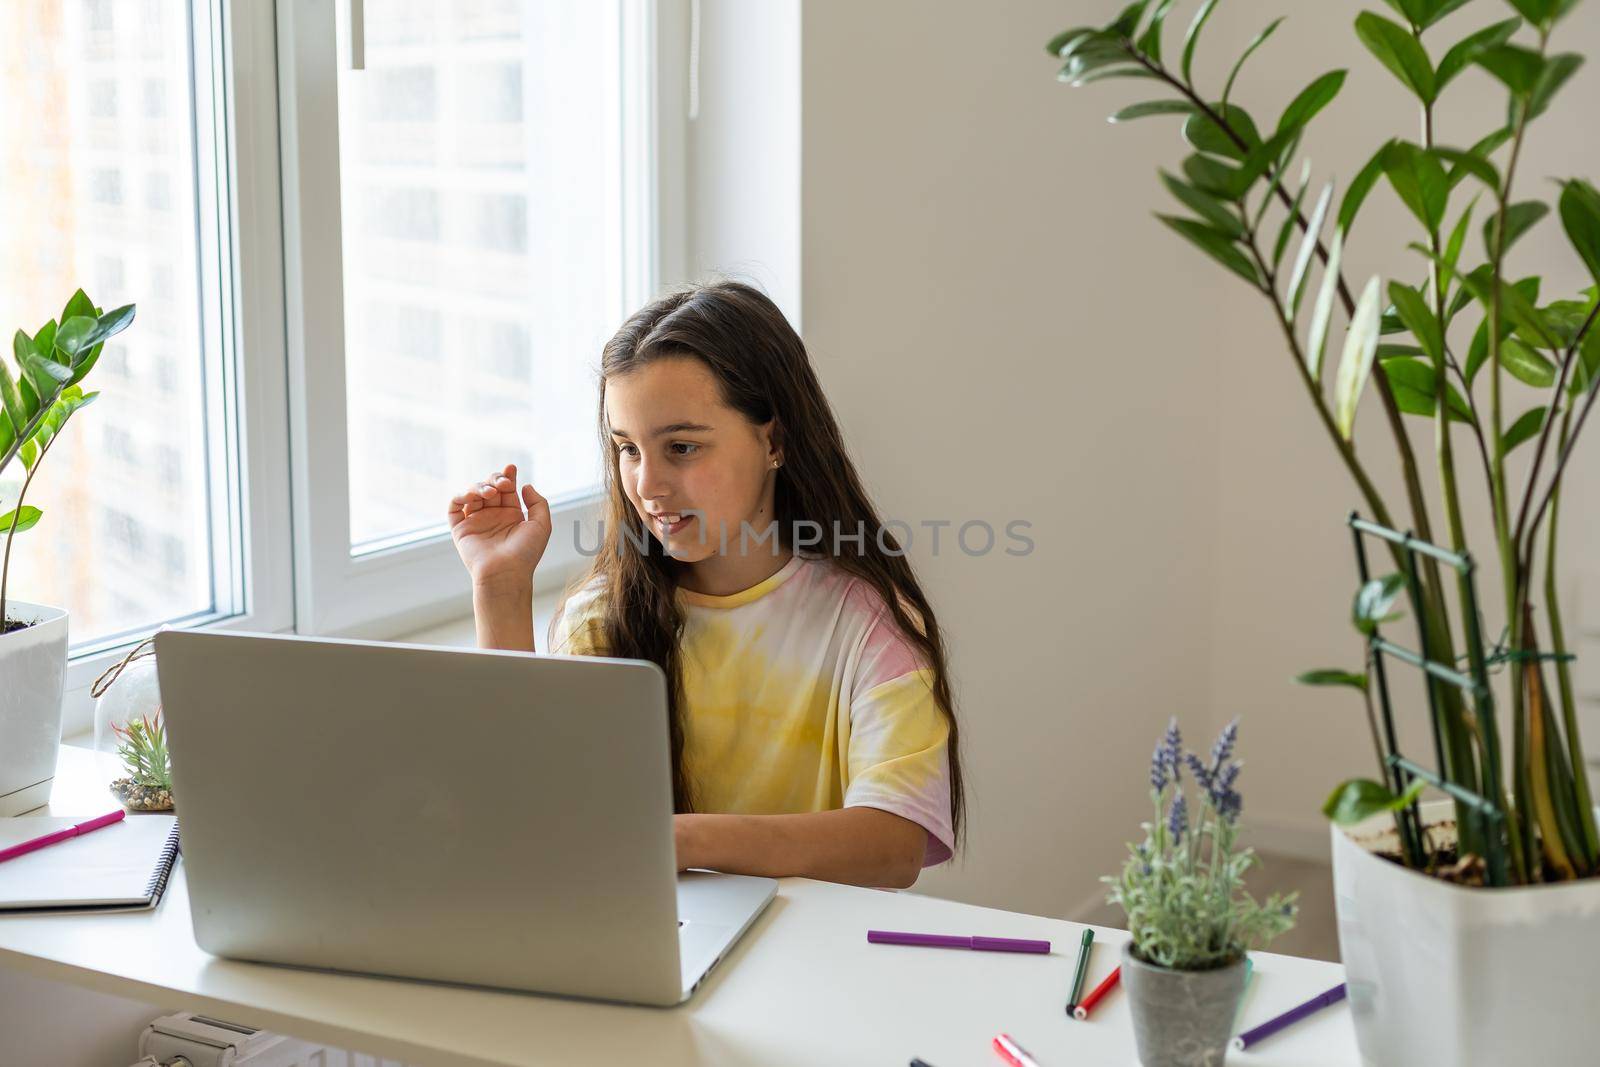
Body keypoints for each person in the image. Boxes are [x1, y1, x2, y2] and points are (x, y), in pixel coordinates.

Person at [447, 281, 963, 889]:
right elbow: (531, 817)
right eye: (628, 449)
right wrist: (500, 590)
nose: (647, 484)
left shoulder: (869, 624)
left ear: (774, 439)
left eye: (682, 447)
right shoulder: (603, 619)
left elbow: (893, 844)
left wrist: (681, 839)